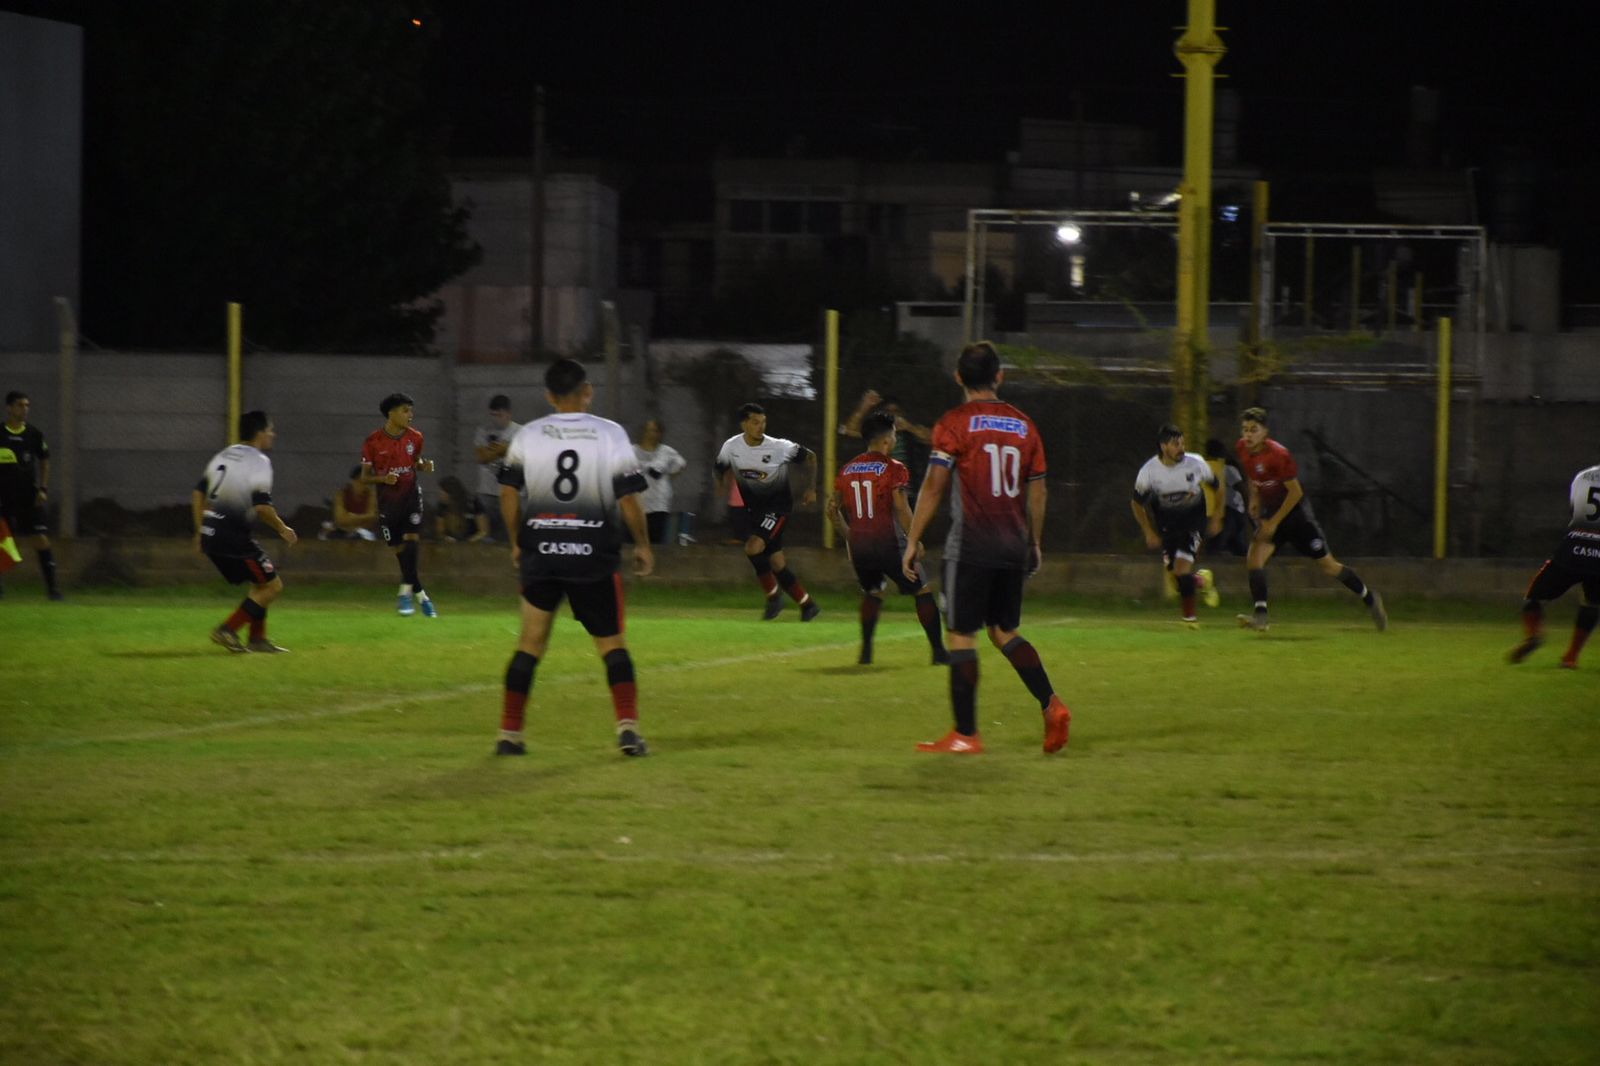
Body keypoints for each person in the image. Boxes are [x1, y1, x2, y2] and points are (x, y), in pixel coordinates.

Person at [901, 341, 1072, 755]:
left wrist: (911, 540)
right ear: (999, 377)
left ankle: (965, 734)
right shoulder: (1025, 426)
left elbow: (935, 486)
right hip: (1012, 545)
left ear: (958, 377)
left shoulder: (954, 424)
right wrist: (1033, 541)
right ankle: (1052, 704)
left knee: (962, 635)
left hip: (971, 547)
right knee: (1004, 631)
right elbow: (1040, 491)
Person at [494, 358, 655, 758]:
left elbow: (509, 493)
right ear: (588, 391)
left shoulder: (528, 435)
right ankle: (628, 730)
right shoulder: (610, 433)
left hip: (542, 553)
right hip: (592, 554)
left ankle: (509, 735)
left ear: (549, 396)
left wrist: (517, 539)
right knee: (612, 644)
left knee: (530, 643)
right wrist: (644, 544)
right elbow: (628, 497)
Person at [1234, 406, 1387, 632]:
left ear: (1265, 431)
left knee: (1329, 566)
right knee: (1254, 558)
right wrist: (1254, 498)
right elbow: (1252, 474)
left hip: (1297, 518)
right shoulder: (1243, 449)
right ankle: (1261, 616)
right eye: (1245, 429)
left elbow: (1295, 493)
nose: (1248, 435)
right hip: (1274, 516)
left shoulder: (1279, 455)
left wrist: (1274, 521)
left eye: (1253, 430)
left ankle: (1370, 598)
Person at [828, 410, 949, 666]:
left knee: (874, 591)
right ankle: (939, 652)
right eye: (894, 435)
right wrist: (914, 540)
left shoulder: (847, 469)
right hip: (889, 543)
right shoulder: (893, 468)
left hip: (861, 546)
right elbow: (902, 508)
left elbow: (832, 509)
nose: (895, 439)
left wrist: (849, 536)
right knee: (922, 591)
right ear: (885, 440)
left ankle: (866, 651)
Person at [191, 410, 296, 653]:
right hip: (233, 537)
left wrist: (199, 530)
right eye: (270, 430)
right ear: (260, 433)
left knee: (260, 583)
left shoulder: (223, 455)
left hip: (212, 533)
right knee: (273, 586)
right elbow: (262, 507)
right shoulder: (259, 461)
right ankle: (227, 630)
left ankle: (257, 639)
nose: (273, 434)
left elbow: (198, 494)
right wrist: (283, 528)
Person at [715, 402, 822, 621]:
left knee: (753, 547)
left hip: (778, 509)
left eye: (763, 422)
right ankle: (808, 605)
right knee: (776, 563)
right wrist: (720, 484)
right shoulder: (731, 446)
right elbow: (720, 466)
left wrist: (811, 488)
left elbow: (811, 457)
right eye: (755, 422)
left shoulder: (778, 446)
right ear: (743, 424)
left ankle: (774, 598)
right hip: (755, 512)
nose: (760, 426)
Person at [1509, 462, 1600, 669]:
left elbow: (1574, 509)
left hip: (1573, 548)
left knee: (1534, 598)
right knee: (1592, 604)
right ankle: (1571, 657)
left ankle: (1534, 635)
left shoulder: (1583, 476)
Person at [1131, 424, 1223, 626]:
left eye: (1182, 443)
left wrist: (1216, 517)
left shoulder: (1196, 463)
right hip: (1167, 527)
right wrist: (1148, 531)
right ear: (1164, 447)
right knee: (1177, 581)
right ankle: (1202, 580)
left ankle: (1189, 620)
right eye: (1175, 444)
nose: (1181, 448)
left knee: (1181, 570)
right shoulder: (1149, 471)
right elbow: (1136, 503)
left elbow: (1218, 488)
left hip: (1193, 522)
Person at [361, 392, 438, 617]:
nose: (410, 415)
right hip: (387, 503)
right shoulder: (373, 441)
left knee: (412, 542)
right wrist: (382, 479)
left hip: (411, 497)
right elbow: (365, 477)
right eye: (405, 411)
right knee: (401, 552)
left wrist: (424, 465)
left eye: (411, 411)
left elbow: (415, 462)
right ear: (391, 413)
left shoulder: (416, 438)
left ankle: (404, 596)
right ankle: (422, 596)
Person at [0, 391, 63, 600]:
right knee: (3, 541)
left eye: (27, 405)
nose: (24, 409)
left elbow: (44, 460)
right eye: (20, 405)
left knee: (41, 539)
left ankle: (53, 591)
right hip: (4, 497)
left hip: (28, 497)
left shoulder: (34, 434)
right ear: (9, 408)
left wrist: (43, 489)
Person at [473, 394, 520, 542]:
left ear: (508, 414)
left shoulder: (519, 432)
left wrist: (494, 451)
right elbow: (481, 458)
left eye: (499, 415)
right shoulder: (483, 430)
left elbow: (515, 456)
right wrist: (501, 449)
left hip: (508, 491)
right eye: (493, 415)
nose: (496, 419)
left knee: (509, 533)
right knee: (487, 535)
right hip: (486, 491)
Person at [633, 418, 687, 545]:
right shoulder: (632, 450)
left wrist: (668, 477)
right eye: (648, 430)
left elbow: (681, 464)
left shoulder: (666, 451)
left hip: (658, 502)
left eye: (654, 431)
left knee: (656, 540)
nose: (650, 434)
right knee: (634, 540)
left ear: (660, 433)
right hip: (637, 501)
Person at [1203, 437, 1250, 556]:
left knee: (1217, 542)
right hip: (1225, 511)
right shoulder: (1211, 468)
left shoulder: (1227, 469)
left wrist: (1246, 513)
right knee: (1235, 544)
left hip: (1232, 511)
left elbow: (1243, 490)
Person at [319, 466, 379, 540]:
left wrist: (351, 517)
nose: (365, 486)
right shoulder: (341, 495)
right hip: (342, 531)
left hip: (363, 533)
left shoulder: (372, 496)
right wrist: (363, 518)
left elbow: (372, 518)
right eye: (361, 482)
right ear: (354, 481)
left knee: (363, 537)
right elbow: (340, 519)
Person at [435, 475, 489, 542]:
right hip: (451, 542)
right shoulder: (442, 505)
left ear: (451, 492)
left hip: (473, 541)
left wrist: (468, 542)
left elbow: (483, 531)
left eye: (442, 491)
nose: (439, 493)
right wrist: (446, 538)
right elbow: (440, 531)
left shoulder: (473, 503)